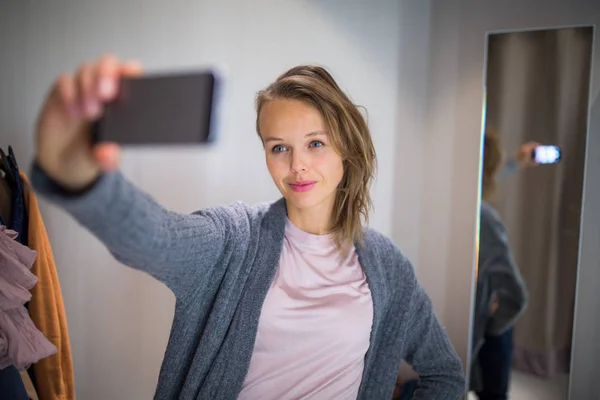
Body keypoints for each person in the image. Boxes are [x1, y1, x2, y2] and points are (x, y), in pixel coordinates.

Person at [31, 55, 465, 399]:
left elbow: (444, 374)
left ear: (346, 147)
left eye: (316, 143)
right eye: (280, 147)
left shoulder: (388, 267)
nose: (297, 166)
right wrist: (80, 177)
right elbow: (157, 238)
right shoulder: (234, 240)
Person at [470, 128, 529, 400]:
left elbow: (483, 181)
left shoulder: (461, 205)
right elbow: (516, 297)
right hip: (488, 330)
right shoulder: (484, 218)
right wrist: (489, 328)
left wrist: (516, 162)